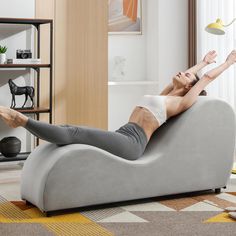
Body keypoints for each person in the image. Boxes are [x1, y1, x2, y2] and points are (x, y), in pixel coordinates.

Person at [0, 50, 235, 161]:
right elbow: (192, 76)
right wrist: (202, 62)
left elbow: (204, 79)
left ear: (189, 88)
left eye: (186, 76)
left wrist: (227, 63)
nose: (182, 73)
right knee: (70, 129)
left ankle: (20, 120)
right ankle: (21, 120)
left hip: (132, 144)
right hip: (122, 134)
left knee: (74, 132)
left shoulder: (179, 102)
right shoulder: (166, 94)